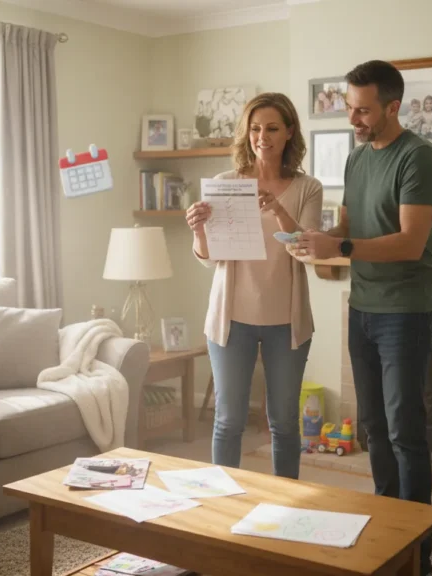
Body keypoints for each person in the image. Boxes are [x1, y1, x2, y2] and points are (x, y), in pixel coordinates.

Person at [293, 59, 432, 576]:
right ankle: (387, 531)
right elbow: (350, 226)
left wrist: (342, 244)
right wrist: (313, 239)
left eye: (362, 110)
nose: (353, 119)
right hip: (362, 307)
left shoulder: (419, 158)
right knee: (374, 429)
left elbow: (409, 242)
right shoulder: (357, 159)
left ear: (393, 107)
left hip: (405, 311)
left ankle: (418, 549)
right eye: (349, 108)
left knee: (405, 430)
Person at [185, 92, 323, 480]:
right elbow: (210, 257)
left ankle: (286, 505)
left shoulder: (307, 187)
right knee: (228, 421)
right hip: (232, 319)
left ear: (289, 132)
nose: (263, 136)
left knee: (283, 423)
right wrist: (198, 230)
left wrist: (277, 209)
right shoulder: (224, 183)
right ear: (247, 133)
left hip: (286, 321)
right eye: (256, 128)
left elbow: (306, 247)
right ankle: (222, 502)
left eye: (272, 128)